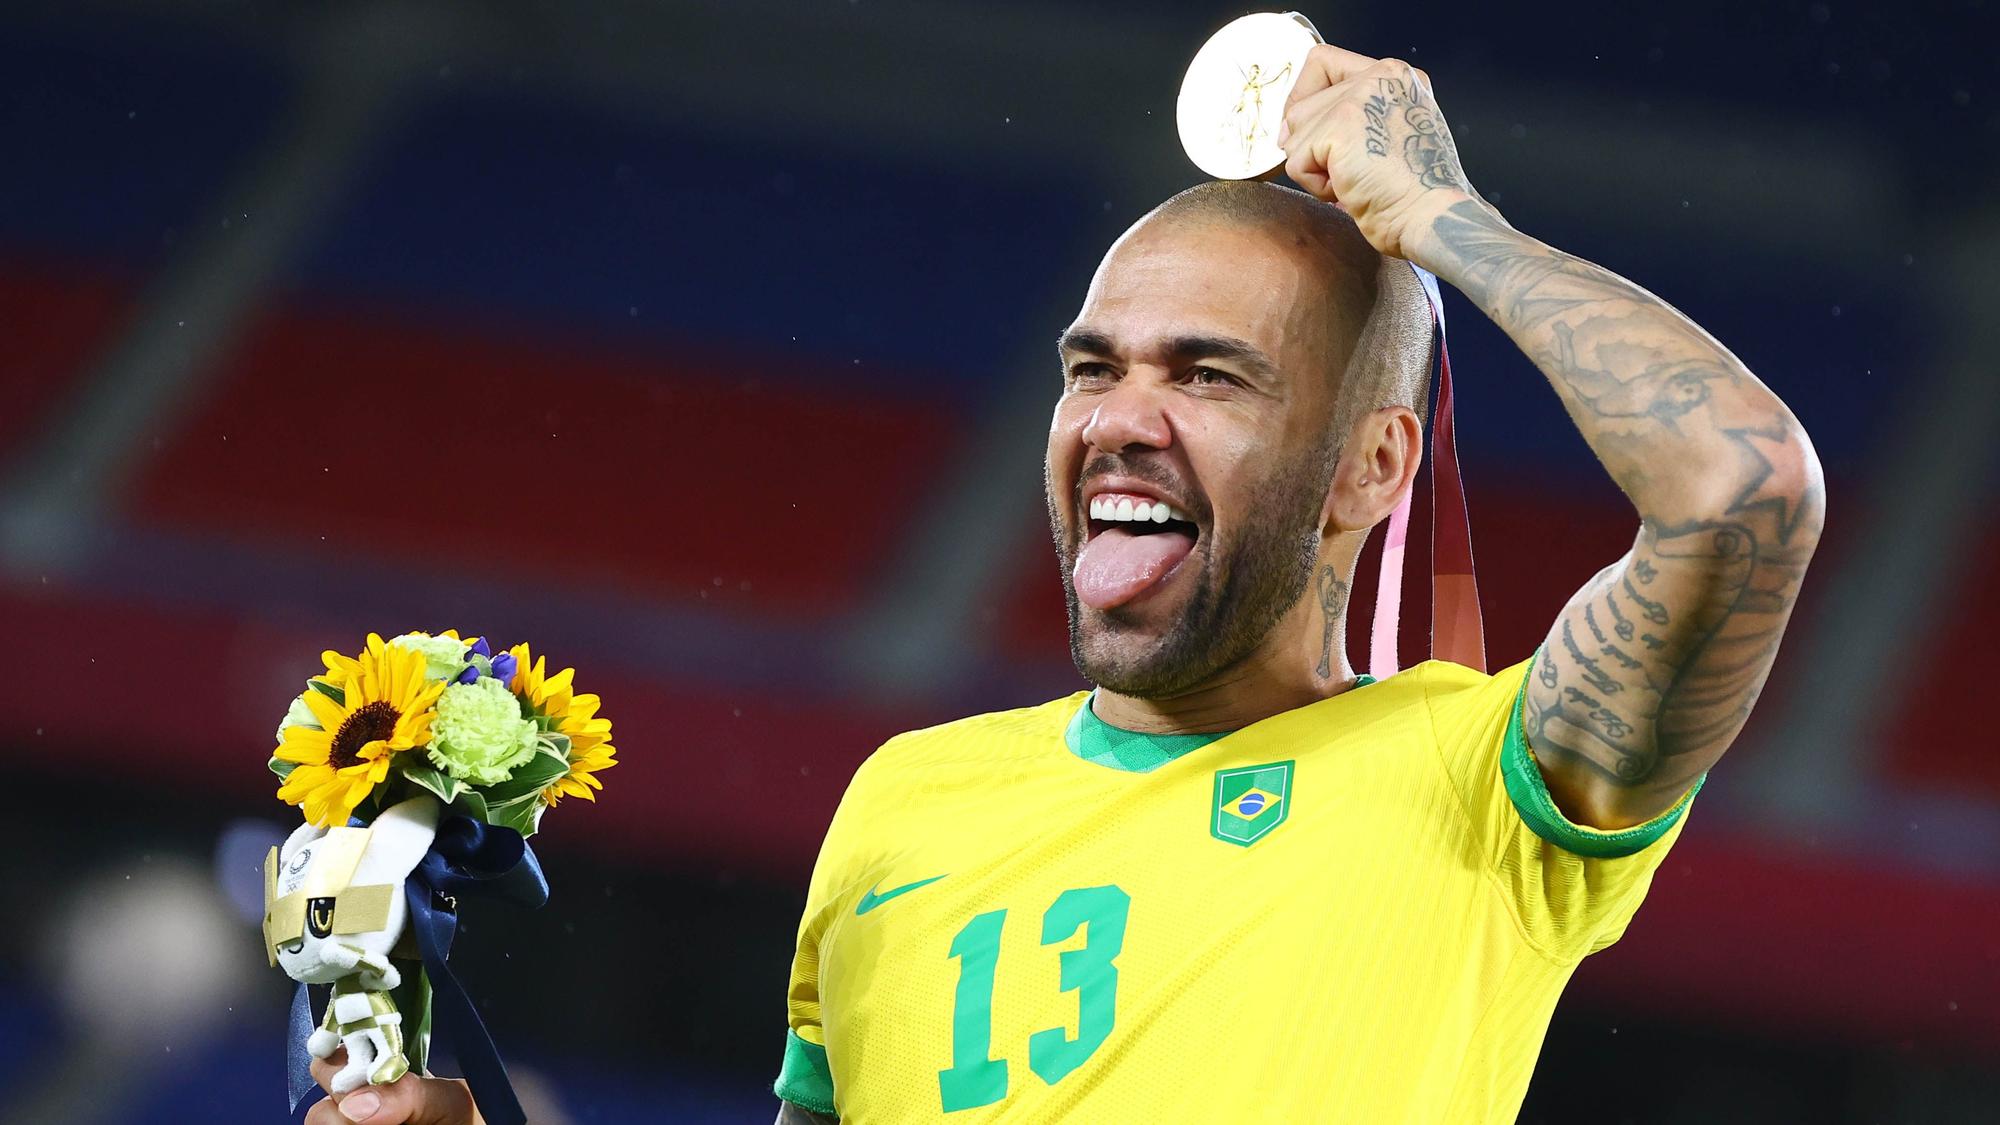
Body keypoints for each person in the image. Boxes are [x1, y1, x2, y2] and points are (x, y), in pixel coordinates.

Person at [298, 40, 1823, 1125]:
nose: (1119, 418)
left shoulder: (1485, 783)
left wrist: (1443, 225)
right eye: (1093, 368)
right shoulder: (905, 803)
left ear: (1372, 467)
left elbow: (1743, 489)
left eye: (1209, 374)